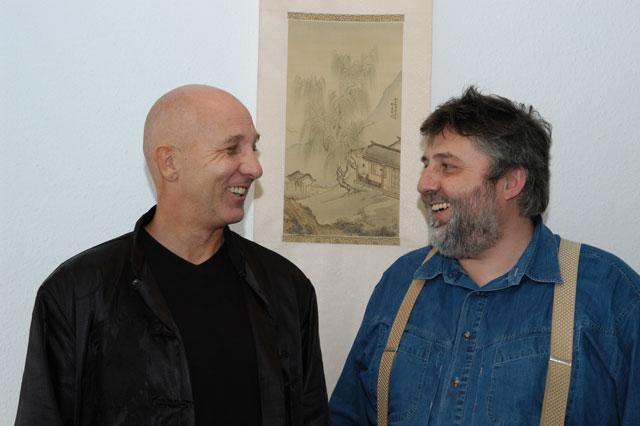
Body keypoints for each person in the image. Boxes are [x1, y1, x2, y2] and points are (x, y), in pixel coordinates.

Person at [15, 85, 330, 425]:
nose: (254, 167)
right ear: (169, 163)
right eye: (231, 149)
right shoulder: (76, 293)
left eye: (253, 147)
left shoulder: (286, 287)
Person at [330, 87, 640, 425]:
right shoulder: (401, 281)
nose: (424, 183)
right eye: (427, 164)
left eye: (447, 166)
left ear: (510, 183)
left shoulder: (610, 296)